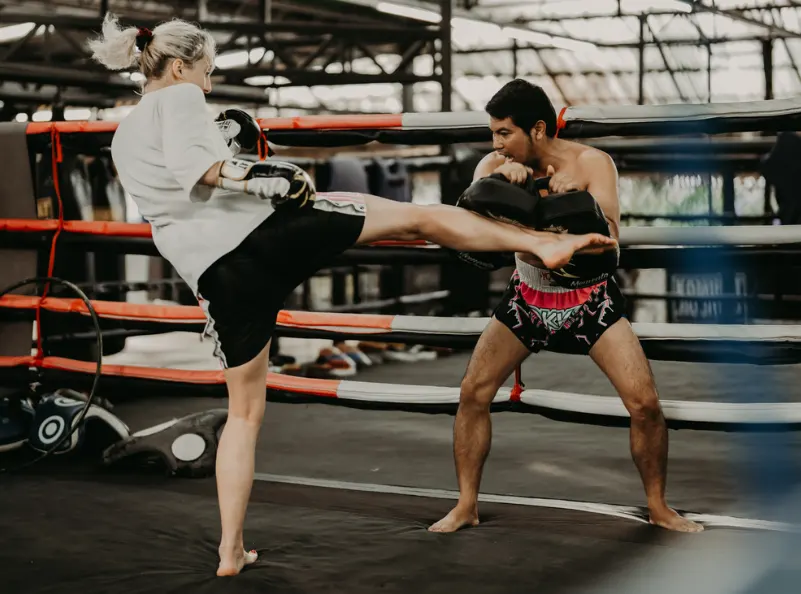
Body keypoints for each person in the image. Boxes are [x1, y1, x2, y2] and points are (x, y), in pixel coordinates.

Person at [88, 18, 616, 577]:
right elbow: (203, 169)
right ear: (178, 67)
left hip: (217, 278)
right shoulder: (182, 99)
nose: (210, 83)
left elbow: (173, 192)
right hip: (266, 234)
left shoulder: (123, 135)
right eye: (206, 70)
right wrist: (259, 175)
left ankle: (230, 551)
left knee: (244, 415)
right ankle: (542, 246)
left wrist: (237, 156)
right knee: (422, 215)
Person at [429, 79, 704, 535]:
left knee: (645, 404)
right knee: (473, 393)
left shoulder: (593, 163)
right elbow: (471, 238)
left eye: (504, 133)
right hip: (527, 296)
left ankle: (658, 505)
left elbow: (611, 242)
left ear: (537, 130)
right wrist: (499, 185)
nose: (495, 143)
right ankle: (466, 504)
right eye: (493, 133)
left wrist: (574, 203)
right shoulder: (492, 164)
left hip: (589, 298)